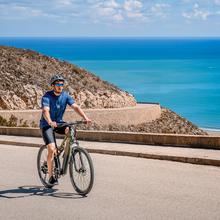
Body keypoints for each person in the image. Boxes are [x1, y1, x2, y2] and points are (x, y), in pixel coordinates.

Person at [40, 74, 91, 186]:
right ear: (53, 85)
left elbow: (75, 107)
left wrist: (85, 117)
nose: (60, 86)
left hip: (59, 122)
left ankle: (66, 150)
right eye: (58, 84)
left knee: (70, 130)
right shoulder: (47, 97)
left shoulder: (65, 96)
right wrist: (49, 121)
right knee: (51, 148)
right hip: (47, 125)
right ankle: (51, 176)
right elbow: (45, 110)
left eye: (62, 84)